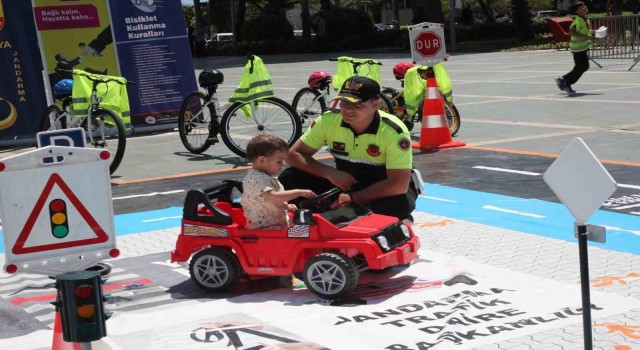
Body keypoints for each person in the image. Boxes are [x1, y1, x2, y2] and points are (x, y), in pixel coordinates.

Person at [279, 76, 417, 221]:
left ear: (376, 104)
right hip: (345, 181)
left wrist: (351, 198)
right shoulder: (328, 121)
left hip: (380, 184)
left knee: (399, 203)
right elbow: (293, 155)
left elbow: (398, 184)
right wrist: (329, 173)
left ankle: (338, 213)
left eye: (357, 105)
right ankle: (330, 216)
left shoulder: (393, 131)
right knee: (289, 178)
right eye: (344, 102)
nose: (348, 110)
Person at [241, 134, 316, 229]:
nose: (283, 164)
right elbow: (273, 198)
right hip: (266, 231)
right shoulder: (257, 179)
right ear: (262, 160)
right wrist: (299, 192)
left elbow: (264, 201)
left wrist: (285, 206)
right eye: (279, 161)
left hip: (276, 226)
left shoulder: (262, 177)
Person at [555, 2, 594, 94]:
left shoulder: (585, 19)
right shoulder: (578, 20)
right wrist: (585, 36)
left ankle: (565, 81)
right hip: (577, 48)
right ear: (577, 11)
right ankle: (564, 80)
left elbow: (586, 31)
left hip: (582, 48)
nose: (585, 8)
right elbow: (571, 32)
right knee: (581, 66)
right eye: (582, 7)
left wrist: (597, 31)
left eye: (585, 6)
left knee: (583, 66)